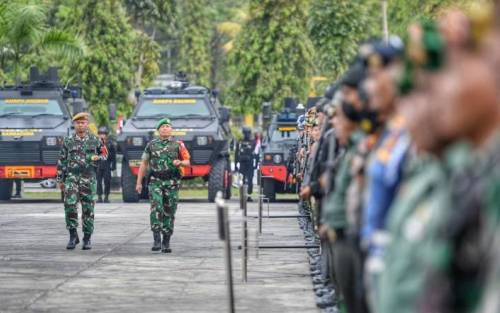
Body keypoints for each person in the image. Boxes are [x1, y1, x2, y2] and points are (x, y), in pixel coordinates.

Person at [135, 118, 190, 253]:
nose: (165, 128)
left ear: (171, 129)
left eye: (167, 126)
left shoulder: (178, 145)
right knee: (156, 208)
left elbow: (188, 162)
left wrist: (180, 163)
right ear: (158, 130)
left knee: (169, 211)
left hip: (172, 182)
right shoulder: (151, 145)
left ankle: (166, 241)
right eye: (162, 126)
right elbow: (143, 164)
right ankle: (156, 240)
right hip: (156, 182)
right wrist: (139, 182)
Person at [56, 112, 108, 250]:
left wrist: (99, 158)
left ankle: (87, 238)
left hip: (88, 178)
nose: (80, 125)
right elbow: (61, 160)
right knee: (70, 205)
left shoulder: (95, 140)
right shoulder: (68, 141)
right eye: (78, 123)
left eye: (83, 122)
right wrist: (60, 179)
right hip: (72, 177)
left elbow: (105, 154)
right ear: (74, 124)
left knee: (88, 208)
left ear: (87, 124)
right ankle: (73, 236)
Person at [235, 127, 257, 201]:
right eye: (246, 133)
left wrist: (236, 164)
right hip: (245, 163)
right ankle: (246, 196)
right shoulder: (251, 142)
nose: (247, 134)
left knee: (247, 180)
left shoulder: (242, 142)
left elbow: (236, 154)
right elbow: (236, 153)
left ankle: (247, 196)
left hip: (247, 163)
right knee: (244, 180)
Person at [96, 126, 116, 203]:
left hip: (107, 165)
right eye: (100, 134)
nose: (102, 135)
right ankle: (99, 197)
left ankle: (106, 197)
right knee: (98, 182)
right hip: (99, 165)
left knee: (107, 181)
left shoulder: (110, 144)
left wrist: (113, 166)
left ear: (106, 135)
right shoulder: (97, 144)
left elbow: (113, 156)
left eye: (103, 134)